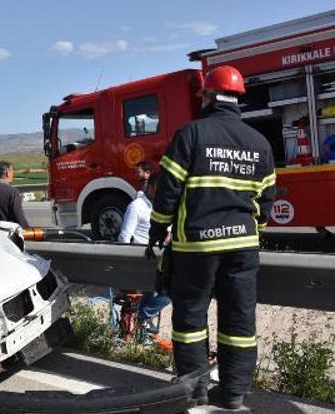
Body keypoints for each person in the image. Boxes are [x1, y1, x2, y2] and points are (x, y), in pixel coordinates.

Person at [148, 65, 276, 409]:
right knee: (239, 321)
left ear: (207, 96)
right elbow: (266, 201)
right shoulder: (259, 143)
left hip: (198, 247)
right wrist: (252, 233)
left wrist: (157, 231)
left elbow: (167, 192)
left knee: (190, 319)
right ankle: (234, 393)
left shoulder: (191, 134)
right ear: (237, 100)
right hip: (243, 248)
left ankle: (195, 390)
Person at [117, 175, 170, 334]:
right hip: (141, 261)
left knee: (165, 291)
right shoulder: (137, 206)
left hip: (160, 259)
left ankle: (140, 322)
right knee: (168, 291)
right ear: (151, 187)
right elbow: (125, 236)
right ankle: (141, 318)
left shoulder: (163, 206)